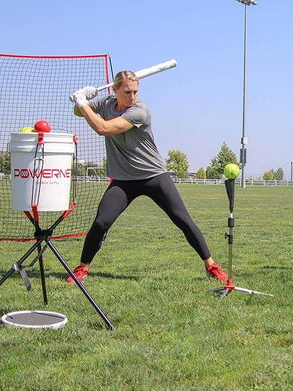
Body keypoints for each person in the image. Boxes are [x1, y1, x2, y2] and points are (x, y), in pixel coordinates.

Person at [67, 71, 228, 284]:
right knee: (101, 222)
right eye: (127, 92)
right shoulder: (106, 103)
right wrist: (80, 101)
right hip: (123, 180)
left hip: (153, 176)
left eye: (135, 91)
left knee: (182, 219)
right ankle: (82, 268)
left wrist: (82, 102)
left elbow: (103, 128)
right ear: (115, 90)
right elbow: (80, 113)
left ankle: (211, 265)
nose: (132, 96)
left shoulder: (139, 111)